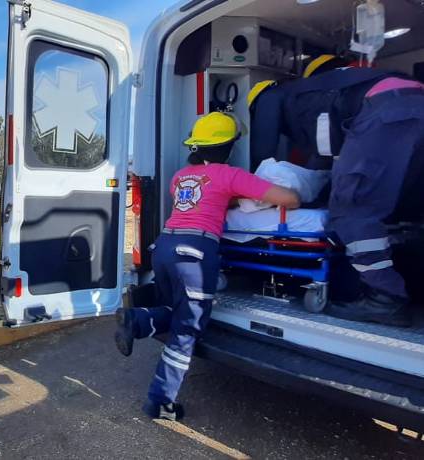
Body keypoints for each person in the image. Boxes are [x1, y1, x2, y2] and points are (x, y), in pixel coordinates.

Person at [114, 112, 300, 421]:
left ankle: (135, 321)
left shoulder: (180, 177)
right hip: (194, 254)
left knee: (177, 311)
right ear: (229, 147)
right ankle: (160, 401)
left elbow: (205, 199)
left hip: (164, 247)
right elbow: (288, 199)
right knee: (187, 329)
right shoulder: (231, 175)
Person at [248, 59, 424, 326]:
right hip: (415, 100)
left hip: (387, 110)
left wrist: (256, 193)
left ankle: (385, 299)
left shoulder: (269, 99)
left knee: (352, 210)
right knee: (406, 200)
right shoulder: (330, 88)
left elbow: (276, 159)